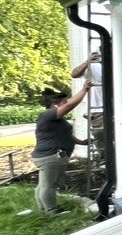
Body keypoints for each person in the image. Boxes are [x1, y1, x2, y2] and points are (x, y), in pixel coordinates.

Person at [32, 82, 91, 213]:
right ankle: (52, 211)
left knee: (43, 185)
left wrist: (81, 142)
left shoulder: (57, 120)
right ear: (54, 106)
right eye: (64, 102)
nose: (67, 105)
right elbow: (71, 105)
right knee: (49, 185)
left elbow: (65, 135)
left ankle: (43, 210)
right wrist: (84, 90)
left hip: (50, 155)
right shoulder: (47, 115)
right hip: (50, 156)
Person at [71, 51, 105, 158]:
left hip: (119, 109)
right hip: (98, 111)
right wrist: (88, 61)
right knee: (101, 141)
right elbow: (74, 74)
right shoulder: (93, 67)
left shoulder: (121, 64)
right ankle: (104, 165)